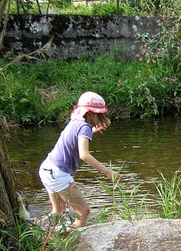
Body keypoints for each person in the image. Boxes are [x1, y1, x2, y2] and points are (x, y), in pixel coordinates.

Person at [39, 92, 122, 228]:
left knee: (57, 212)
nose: (101, 117)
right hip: (58, 174)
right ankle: (77, 242)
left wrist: (93, 131)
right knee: (83, 212)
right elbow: (84, 155)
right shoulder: (85, 128)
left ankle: (33, 229)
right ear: (89, 114)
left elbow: (74, 136)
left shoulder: (75, 122)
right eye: (99, 114)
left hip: (47, 169)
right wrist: (107, 172)